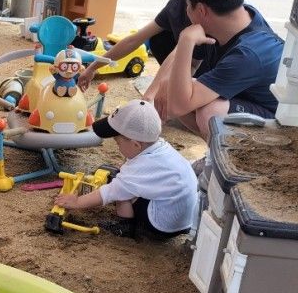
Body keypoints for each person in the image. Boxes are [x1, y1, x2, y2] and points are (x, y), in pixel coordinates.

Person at [160, 0, 284, 142]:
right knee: (177, 89)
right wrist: (166, 83)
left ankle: (224, 162)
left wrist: (186, 40)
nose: (186, 11)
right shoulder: (241, 16)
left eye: (187, 5)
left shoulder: (248, 54)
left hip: (283, 128)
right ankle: (215, 153)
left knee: (211, 112)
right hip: (251, 103)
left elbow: (177, 107)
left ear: (201, 10)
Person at [58, 100, 198, 240]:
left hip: (162, 224)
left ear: (136, 145)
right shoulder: (160, 147)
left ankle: (125, 226)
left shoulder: (141, 167)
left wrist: (77, 202)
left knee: (120, 184)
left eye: (118, 143)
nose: (117, 147)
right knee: (125, 179)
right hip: (185, 218)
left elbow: (111, 192)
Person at [79, 0, 209, 91]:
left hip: (215, 73)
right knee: (158, 38)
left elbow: (191, 61)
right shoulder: (176, 6)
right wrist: (92, 67)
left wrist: (163, 93)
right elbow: (134, 40)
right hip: (189, 63)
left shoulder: (216, 10)